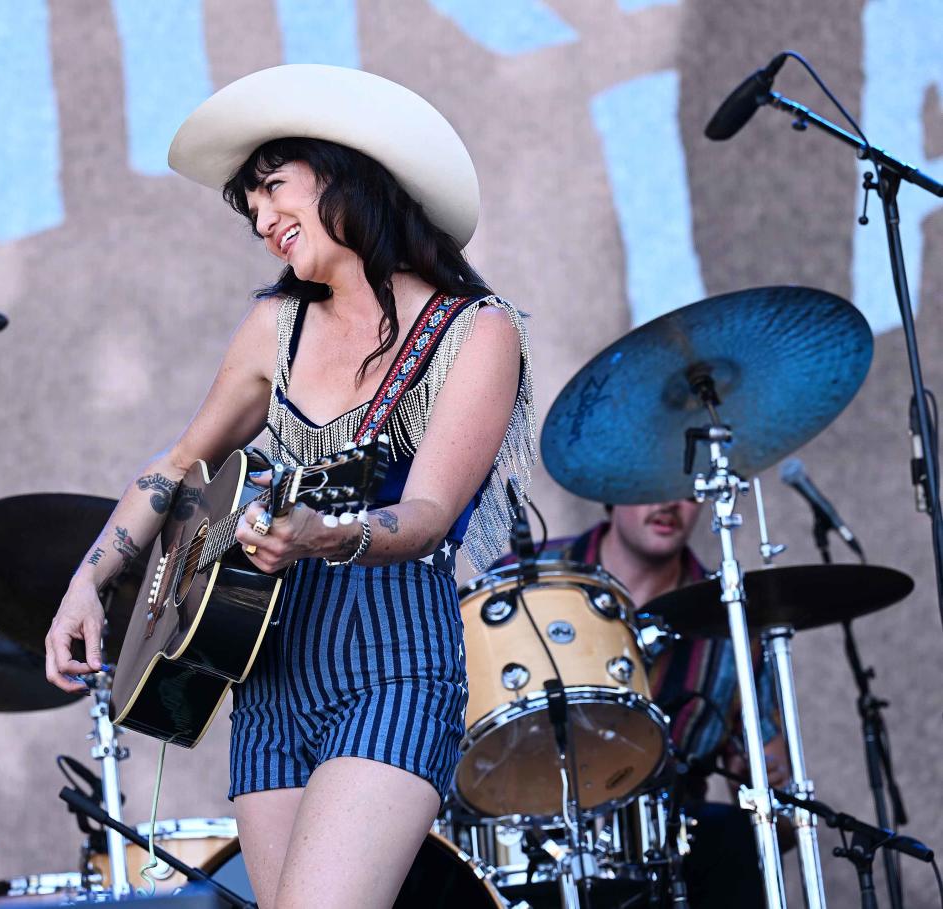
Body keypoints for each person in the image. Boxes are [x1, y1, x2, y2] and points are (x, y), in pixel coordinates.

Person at [45, 64, 536, 909]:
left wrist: (327, 535)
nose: (264, 220)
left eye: (275, 189)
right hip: (268, 676)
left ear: (347, 175)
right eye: (252, 208)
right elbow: (177, 466)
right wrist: (89, 580)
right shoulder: (275, 324)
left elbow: (426, 515)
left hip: (394, 667)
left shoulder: (475, 331)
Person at [526, 500, 791, 908]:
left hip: (671, 857)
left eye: (683, 490)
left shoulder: (730, 618)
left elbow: (780, 818)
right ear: (611, 490)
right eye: (650, 482)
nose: (669, 503)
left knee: (730, 837)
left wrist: (758, 780)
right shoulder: (530, 576)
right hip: (529, 838)